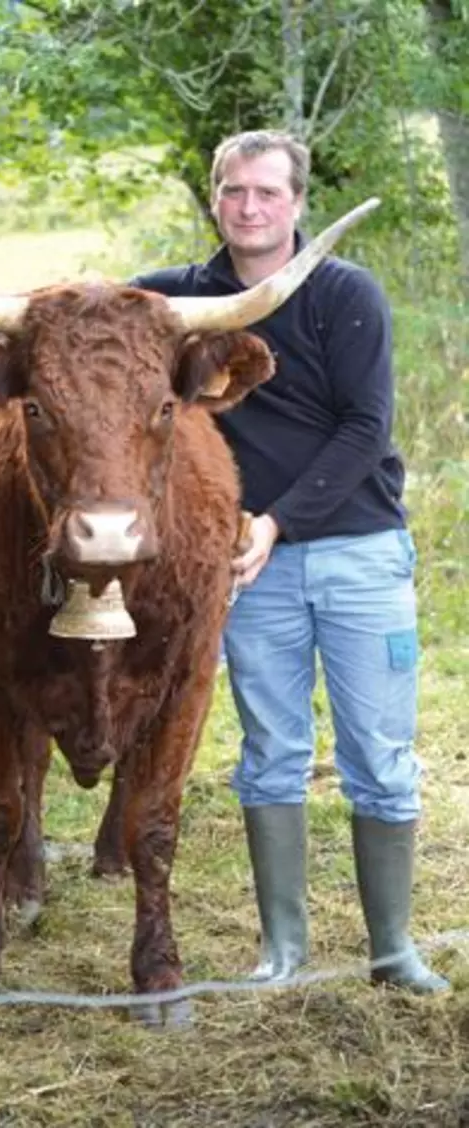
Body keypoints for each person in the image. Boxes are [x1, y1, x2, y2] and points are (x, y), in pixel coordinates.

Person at [131, 129, 448, 993]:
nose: (249, 207)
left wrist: (272, 521)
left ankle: (392, 951)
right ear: (213, 198)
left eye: (268, 193)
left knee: (377, 755)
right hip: (253, 571)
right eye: (234, 191)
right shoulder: (178, 304)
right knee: (270, 751)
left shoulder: (344, 295)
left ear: (297, 203)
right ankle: (283, 952)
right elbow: (86, 313)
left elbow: (364, 431)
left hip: (358, 552)